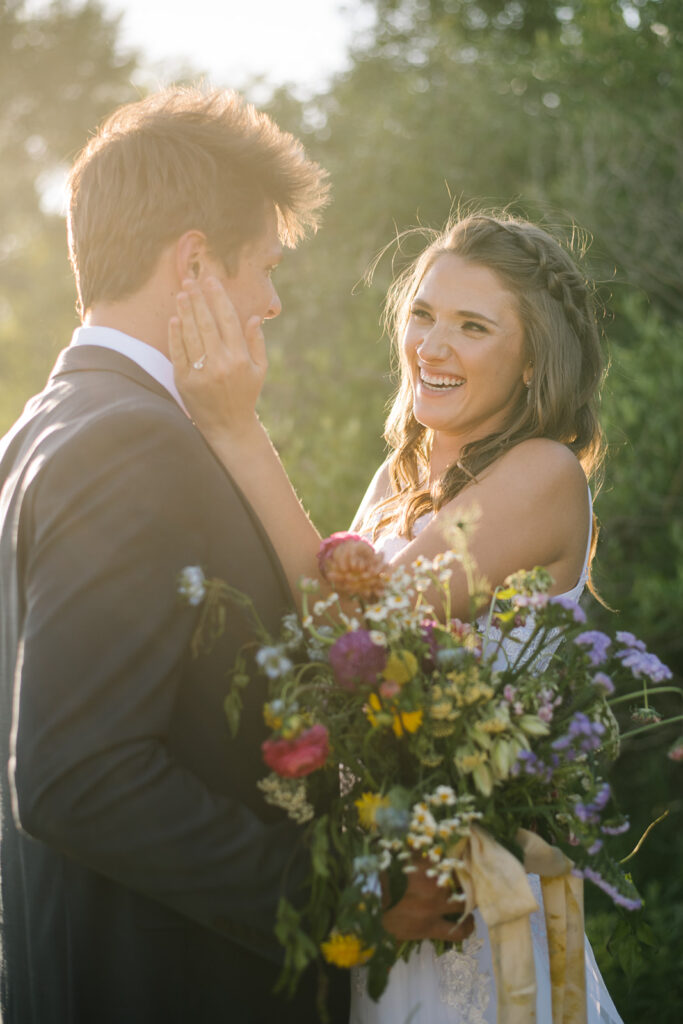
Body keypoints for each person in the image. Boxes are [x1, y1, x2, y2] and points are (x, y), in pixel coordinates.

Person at [169, 212, 625, 1023]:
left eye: (472, 326)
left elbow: (356, 632)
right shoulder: (398, 476)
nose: (431, 346)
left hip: (479, 914)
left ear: (530, 361)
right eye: (422, 314)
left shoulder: (542, 473)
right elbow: (314, 628)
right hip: (391, 889)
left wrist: (239, 431)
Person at [0, 85, 355, 1024]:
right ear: (194, 262)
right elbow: (77, 773)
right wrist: (332, 896)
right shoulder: (133, 443)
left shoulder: (43, 426)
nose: (271, 303)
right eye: (264, 268)